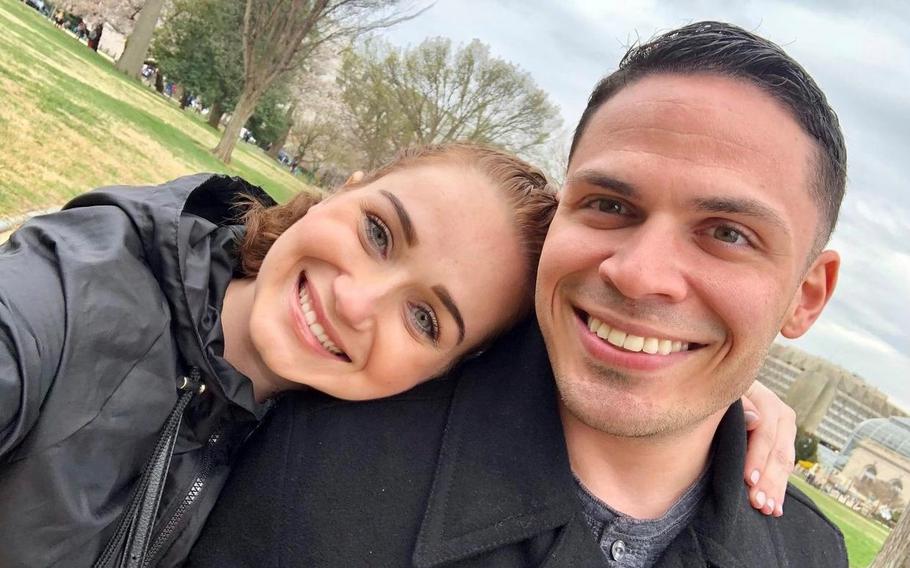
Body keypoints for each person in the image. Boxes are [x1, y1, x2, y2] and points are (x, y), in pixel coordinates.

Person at [189, 21, 848, 567]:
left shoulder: (813, 553)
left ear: (806, 297)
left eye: (727, 233)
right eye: (610, 204)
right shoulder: (320, 461)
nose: (641, 274)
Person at [0, 143, 554, 567]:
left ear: (443, 373)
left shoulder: (336, 474)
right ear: (340, 191)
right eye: (378, 233)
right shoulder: (69, 298)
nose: (355, 302)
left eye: (424, 319)